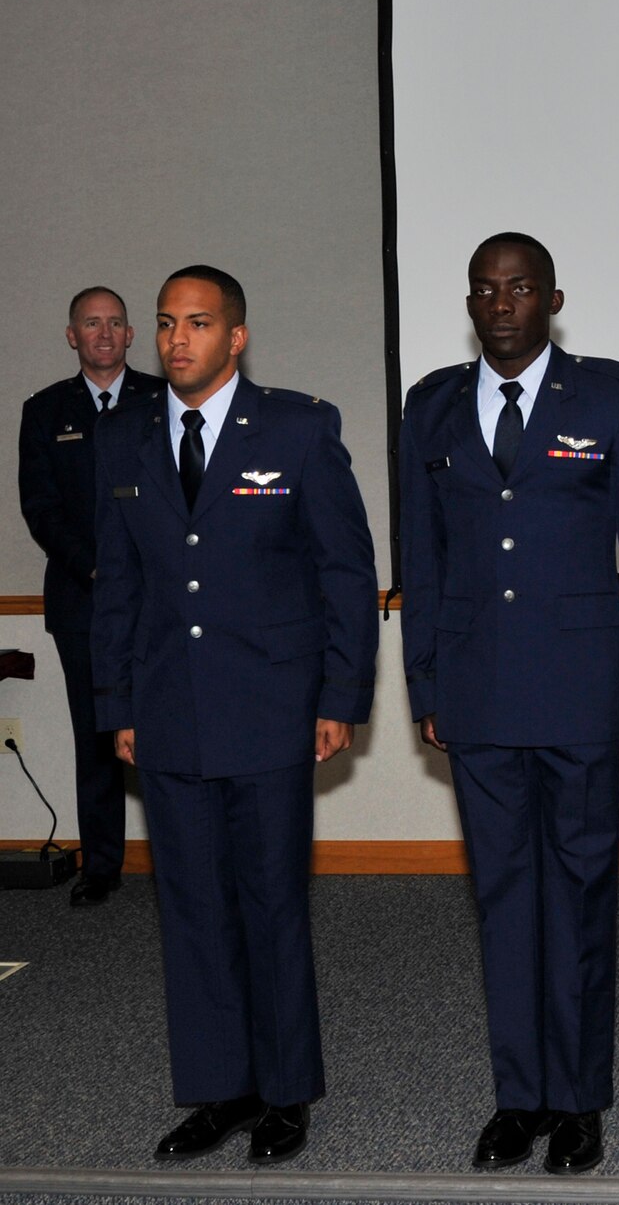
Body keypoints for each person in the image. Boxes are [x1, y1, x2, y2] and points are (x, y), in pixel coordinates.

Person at [399, 232, 619, 1176]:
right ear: (470, 304)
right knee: (505, 897)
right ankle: (519, 1098)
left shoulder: (609, 396)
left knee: (582, 895)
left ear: (553, 298)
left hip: (582, 691)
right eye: (485, 290)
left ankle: (580, 1100)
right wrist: (424, 683)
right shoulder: (431, 406)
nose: (502, 304)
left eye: (519, 288)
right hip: (476, 693)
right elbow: (422, 560)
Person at [93, 265, 377, 1163]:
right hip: (169, 713)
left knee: (269, 904)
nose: (179, 340)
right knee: (191, 909)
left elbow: (344, 572)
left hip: (271, 711)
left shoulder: (297, 428)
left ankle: (286, 1093)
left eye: (200, 324)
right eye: (168, 324)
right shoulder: (131, 442)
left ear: (236, 338)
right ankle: (222, 1090)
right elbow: (121, 587)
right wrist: (118, 705)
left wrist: (340, 697)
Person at [17, 287, 163, 905]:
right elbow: (41, 509)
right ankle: (102, 866)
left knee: (169, 728)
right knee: (97, 735)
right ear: (72, 336)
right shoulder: (45, 410)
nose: (103, 333)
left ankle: (183, 858)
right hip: (83, 600)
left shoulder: (164, 399)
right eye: (90, 324)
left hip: (163, 600)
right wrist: (100, 571)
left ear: (131, 335)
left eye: (114, 323)